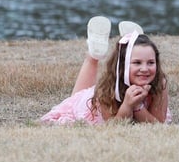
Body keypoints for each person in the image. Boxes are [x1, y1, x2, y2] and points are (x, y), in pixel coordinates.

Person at [41, 16, 171, 125]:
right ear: (123, 65)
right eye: (137, 62)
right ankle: (93, 55)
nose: (145, 69)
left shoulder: (160, 83)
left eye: (151, 62)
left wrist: (138, 107)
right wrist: (128, 105)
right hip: (89, 106)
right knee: (76, 98)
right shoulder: (107, 89)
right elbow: (113, 126)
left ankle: (131, 43)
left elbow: (158, 124)